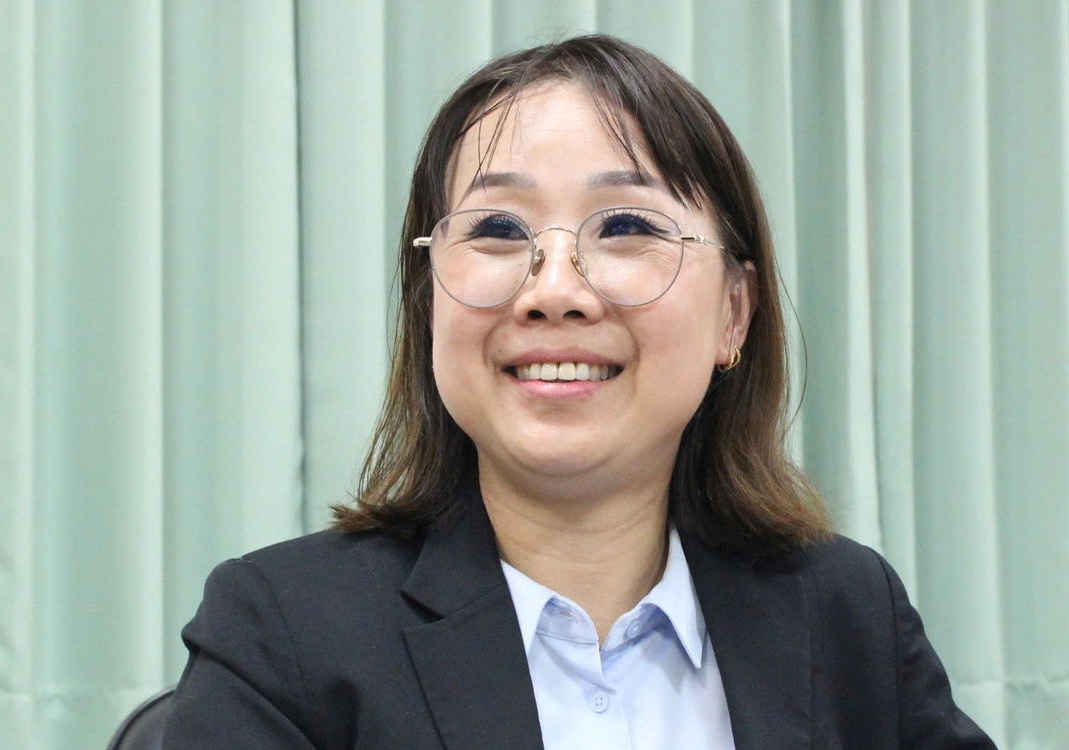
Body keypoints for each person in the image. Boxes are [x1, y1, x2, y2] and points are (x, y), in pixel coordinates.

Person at [164, 35, 995, 749]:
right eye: (497, 230)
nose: (554, 290)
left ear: (734, 312)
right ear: (427, 302)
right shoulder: (282, 636)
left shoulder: (848, 618)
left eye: (626, 227)